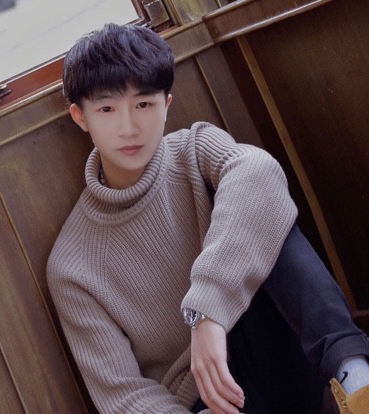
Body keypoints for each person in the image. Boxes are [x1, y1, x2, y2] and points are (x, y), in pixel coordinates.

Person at [47, 23, 369, 414]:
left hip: (289, 353)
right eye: (107, 109)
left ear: (166, 104)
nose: (128, 128)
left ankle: (357, 379)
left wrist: (208, 311)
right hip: (211, 401)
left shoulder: (195, 149)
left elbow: (259, 171)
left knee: (257, 203)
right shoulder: (71, 266)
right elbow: (122, 395)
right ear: (81, 116)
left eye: (144, 105)